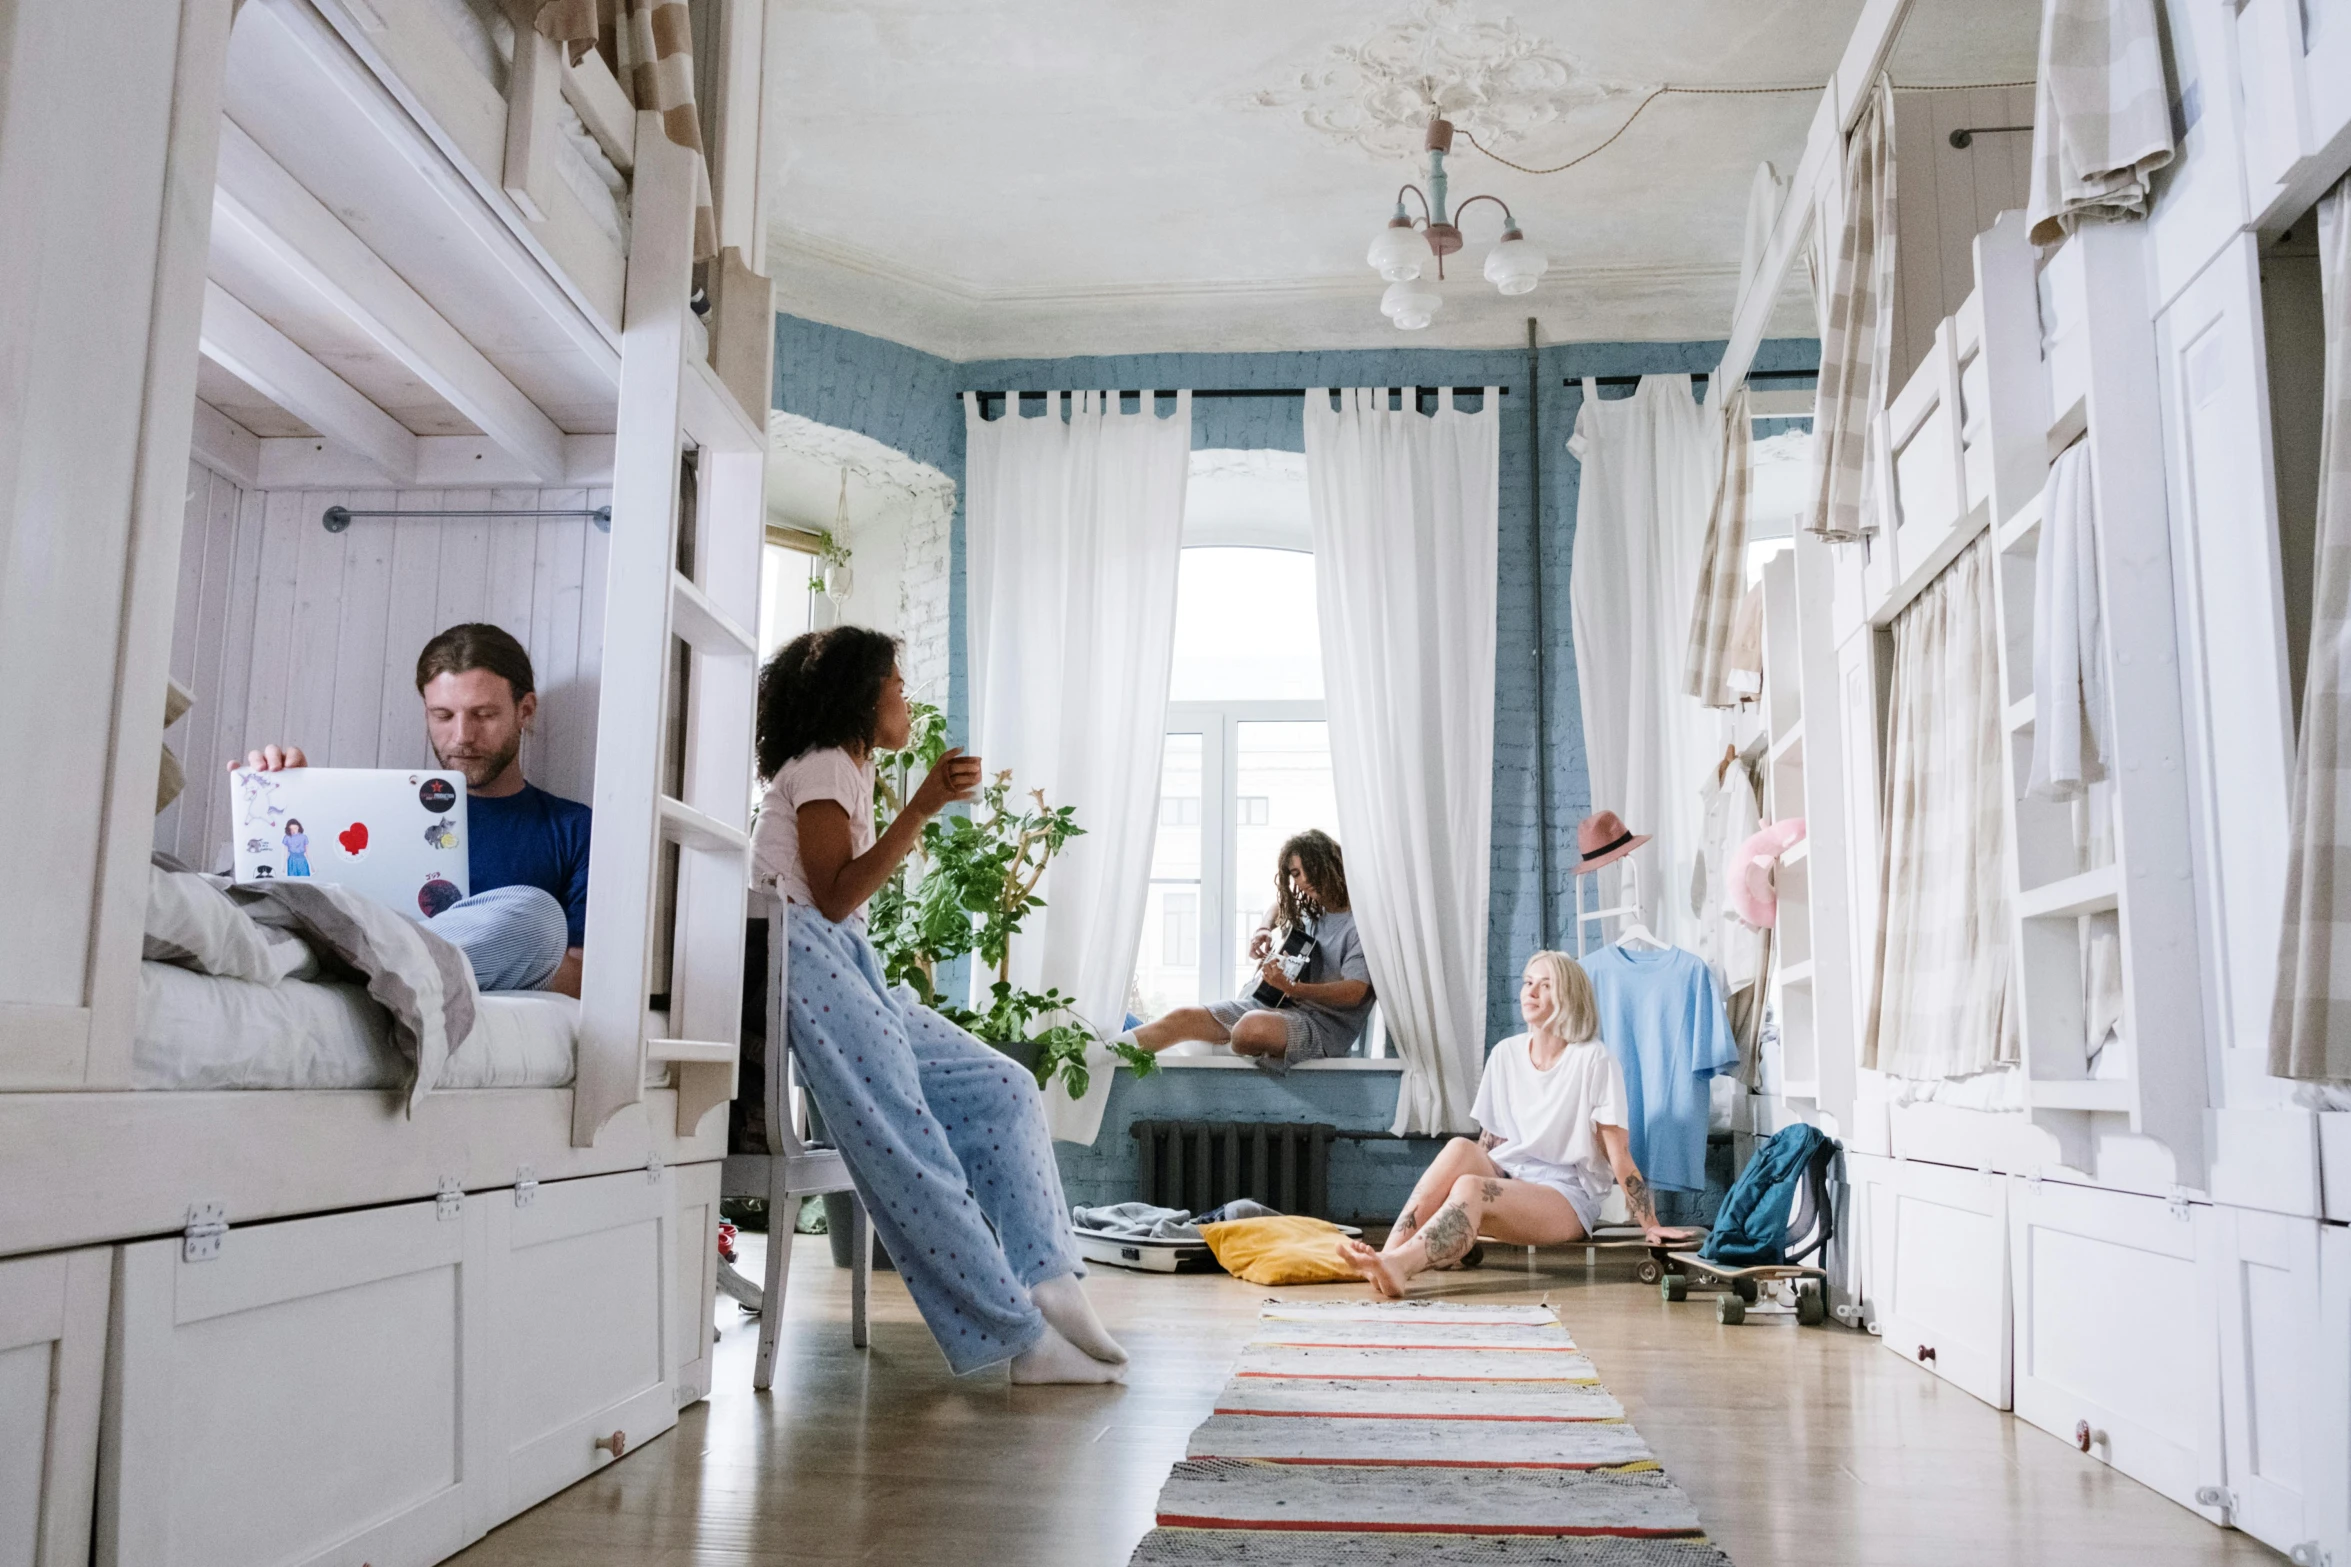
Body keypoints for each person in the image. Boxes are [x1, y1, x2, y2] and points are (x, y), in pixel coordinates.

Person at [751, 624, 1126, 1385]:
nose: (905, 697)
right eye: (894, 682)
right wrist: (920, 807)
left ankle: (1050, 1275)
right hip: (802, 957)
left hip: (840, 960)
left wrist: (915, 804)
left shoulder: (841, 767)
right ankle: (1020, 1339)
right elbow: (832, 895)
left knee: (1003, 1084)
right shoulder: (823, 764)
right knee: (909, 1151)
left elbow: (839, 904)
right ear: (859, 694)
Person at [237, 623, 589, 997]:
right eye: (442, 716)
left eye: (483, 715)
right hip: (354, 941)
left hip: (378, 961)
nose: (461, 736)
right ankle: (368, 958)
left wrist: (498, 949)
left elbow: (587, 979)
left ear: (525, 710)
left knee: (537, 919)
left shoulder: (572, 828)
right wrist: (290, 799)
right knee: (242, 890)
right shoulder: (380, 807)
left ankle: (358, 960)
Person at [1341, 950, 1695, 1298]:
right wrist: (1454, 1225)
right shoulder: (1506, 1054)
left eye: (1545, 985)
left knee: (1472, 1186)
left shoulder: (1593, 1060)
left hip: (1566, 1197)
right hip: (1511, 1178)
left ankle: (1399, 1267)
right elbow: (1490, 1142)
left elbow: (1618, 1153)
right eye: (1528, 983)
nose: (1532, 991)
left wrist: (1652, 1225)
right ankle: (1386, 1257)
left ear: (1569, 996)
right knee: (1460, 1150)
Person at [1115, 829, 1373, 1066]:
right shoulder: (1315, 909)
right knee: (1182, 1017)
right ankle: (1098, 1057)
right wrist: (1264, 929)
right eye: (1295, 873)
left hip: (1321, 1028)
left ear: (1331, 864)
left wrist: (1294, 988)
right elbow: (1280, 906)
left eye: (1310, 868)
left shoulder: (1361, 924)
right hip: (1275, 1007)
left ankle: (1225, 1045)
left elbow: (1356, 993)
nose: (1304, 880)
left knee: (1250, 1028)